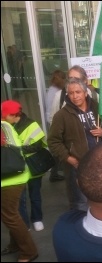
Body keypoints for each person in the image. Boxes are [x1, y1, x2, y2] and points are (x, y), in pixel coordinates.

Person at [48, 77, 102, 212]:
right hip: (77, 165)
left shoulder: (99, 107)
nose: (75, 96)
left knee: (101, 198)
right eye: (71, 93)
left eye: (78, 92)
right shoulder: (61, 115)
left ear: (85, 93)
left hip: (100, 163)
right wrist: (69, 158)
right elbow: (53, 141)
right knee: (80, 204)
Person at [1, 100, 47, 232]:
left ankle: (37, 218)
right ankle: (24, 224)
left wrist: (18, 151)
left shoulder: (31, 124)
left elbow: (38, 145)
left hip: (32, 165)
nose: (3, 118)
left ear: (14, 114)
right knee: (20, 199)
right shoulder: (5, 126)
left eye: (5, 116)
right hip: (16, 169)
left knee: (35, 194)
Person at [1, 120, 38, 262]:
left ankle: (29, 252)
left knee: (10, 215)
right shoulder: (4, 124)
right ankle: (15, 244)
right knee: (9, 214)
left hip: (9, 179)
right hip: (14, 175)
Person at [45, 69, 66, 182]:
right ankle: (54, 172)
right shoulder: (56, 92)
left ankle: (55, 171)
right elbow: (53, 110)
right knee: (57, 150)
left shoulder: (52, 90)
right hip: (55, 122)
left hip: (53, 121)